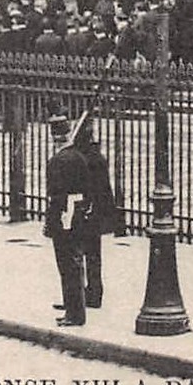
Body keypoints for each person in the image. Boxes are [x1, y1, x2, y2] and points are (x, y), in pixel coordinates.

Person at [43, 113, 91, 326]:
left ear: (54, 138)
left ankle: (74, 313)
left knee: (67, 264)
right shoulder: (80, 157)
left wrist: (50, 223)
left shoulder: (57, 161)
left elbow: (56, 197)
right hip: (79, 214)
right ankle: (75, 308)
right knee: (76, 262)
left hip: (64, 216)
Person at [75, 120, 117, 311]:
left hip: (89, 211)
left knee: (85, 253)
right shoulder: (92, 156)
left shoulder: (88, 158)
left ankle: (90, 292)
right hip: (94, 211)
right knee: (90, 253)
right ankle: (90, 291)